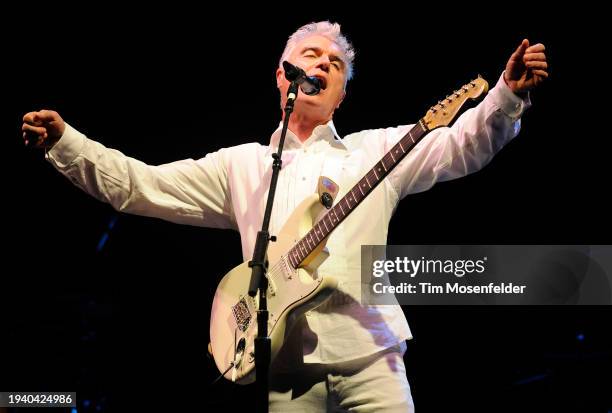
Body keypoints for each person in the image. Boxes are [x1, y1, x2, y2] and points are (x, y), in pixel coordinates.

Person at [22, 21, 547, 412]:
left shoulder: (376, 152)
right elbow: (142, 186)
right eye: (310, 56)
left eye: (334, 65)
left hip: (371, 358)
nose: (321, 66)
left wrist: (505, 96)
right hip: (282, 369)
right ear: (282, 75)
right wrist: (68, 145)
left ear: (341, 93)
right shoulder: (242, 165)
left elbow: (462, 146)